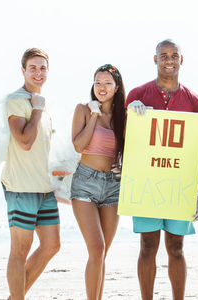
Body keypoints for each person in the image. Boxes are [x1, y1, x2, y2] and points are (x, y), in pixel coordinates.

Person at [125, 39, 198, 300]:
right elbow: (126, 141)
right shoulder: (137, 95)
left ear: (181, 59)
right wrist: (130, 114)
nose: (168, 60)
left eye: (174, 55)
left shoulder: (194, 101)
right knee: (148, 246)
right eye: (163, 56)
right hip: (148, 182)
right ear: (155, 59)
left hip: (179, 183)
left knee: (177, 248)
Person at [1, 48, 60, 300]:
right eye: (33, 68)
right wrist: (36, 109)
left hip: (45, 187)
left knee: (51, 245)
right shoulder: (16, 100)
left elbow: (44, 147)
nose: (38, 72)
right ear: (23, 70)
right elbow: (24, 140)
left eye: (42, 68)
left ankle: (15, 297)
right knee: (19, 251)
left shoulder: (42, 104)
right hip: (21, 186)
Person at [70, 64, 126, 300]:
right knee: (97, 248)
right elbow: (79, 145)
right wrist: (94, 114)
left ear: (117, 87)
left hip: (113, 186)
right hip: (85, 183)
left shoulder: (124, 117)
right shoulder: (83, 109)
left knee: (102, 254)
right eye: (97, 83)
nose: (101, 88)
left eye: (107, 83)